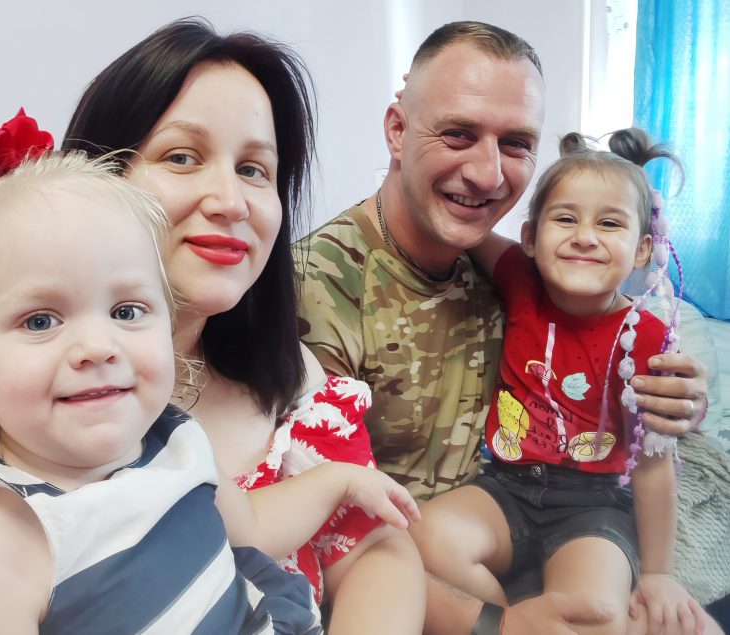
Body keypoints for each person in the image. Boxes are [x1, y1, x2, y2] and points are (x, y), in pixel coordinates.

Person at [0, 19, 426, 634]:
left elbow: (376, 551)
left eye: (255, 169)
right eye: (182, 157)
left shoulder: (261, 403)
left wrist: (338, 484)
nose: (230, 201)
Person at [296, 20, 710, 635]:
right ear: (397, 129)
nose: (488, 175)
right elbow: (323, 516)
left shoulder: (524, 270)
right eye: (457, 133)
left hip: (578, 513)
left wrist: (682, 403)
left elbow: (619, 364)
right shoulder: (321, 285)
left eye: (516, 143)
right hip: (437, 552)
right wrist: (502, 625)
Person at [411, 128, 712, 635]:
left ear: (642, 250)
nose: (585, 236)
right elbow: (468, 228)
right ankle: (513, 622)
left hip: (595, 505)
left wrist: (659, 574)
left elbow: (654, 463)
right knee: (427, 539)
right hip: (506, 486)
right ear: (531, 238)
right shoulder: (519, 277)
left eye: (609, 223)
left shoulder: (646, 339)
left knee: (595, 614)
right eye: (566, 219)